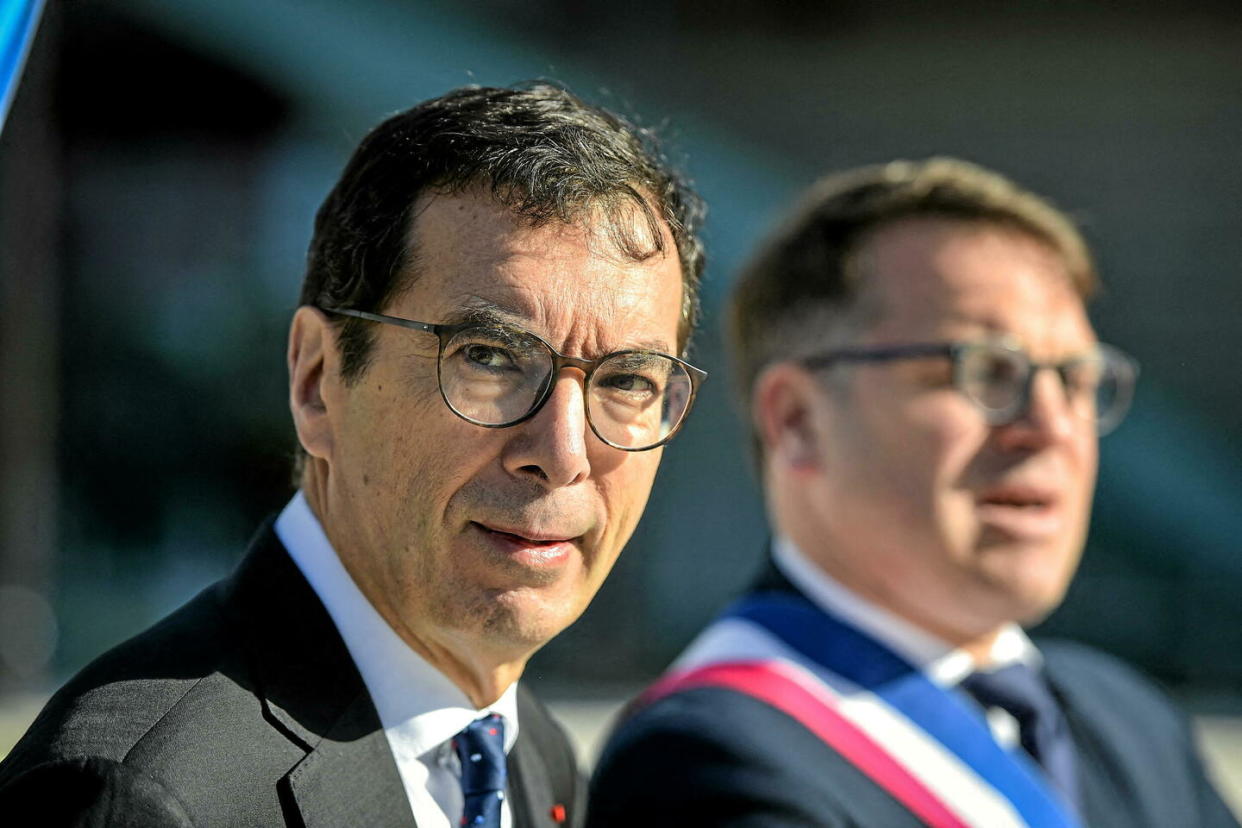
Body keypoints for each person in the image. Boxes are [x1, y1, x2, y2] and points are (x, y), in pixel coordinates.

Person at [0, 82, 706, 827]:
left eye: (627, 379)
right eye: (492, 358)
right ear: (316, 383)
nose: (562, 454)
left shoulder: (530, 756)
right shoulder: (144, 798)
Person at [589, 158, 1239, 827]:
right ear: (798, 420)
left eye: (1075, 380)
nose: (1050, 429)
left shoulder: (1131, 725)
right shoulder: (708, 759)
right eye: (987, 371)